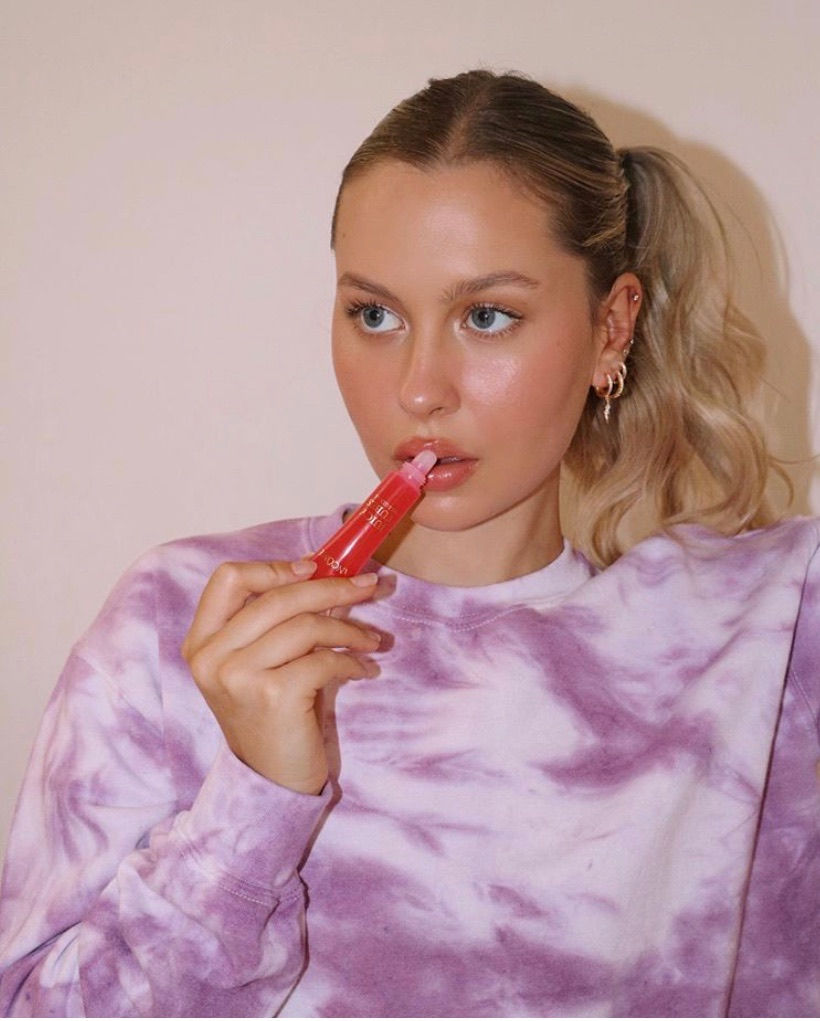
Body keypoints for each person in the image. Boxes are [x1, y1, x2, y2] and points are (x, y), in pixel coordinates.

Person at [0, 69, 817, 1018]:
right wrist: (255, 800)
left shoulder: (763, 636)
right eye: (375, 315)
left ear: (612, 326)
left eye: (486, 316)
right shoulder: (179, 622)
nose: (420, 387)